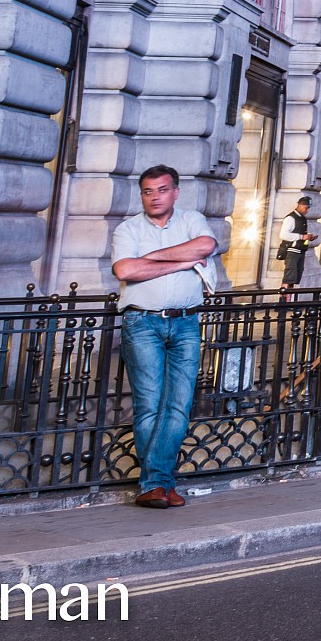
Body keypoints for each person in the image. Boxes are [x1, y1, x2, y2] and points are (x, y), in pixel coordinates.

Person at [110, 165, 216, 510]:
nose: (155, 197)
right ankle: (159, 484)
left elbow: (207, 244)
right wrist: (182, 261)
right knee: (150, 405)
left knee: (178, 406)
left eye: (162, 190)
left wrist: (151, 258)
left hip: (186, 323)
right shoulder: (128, 229)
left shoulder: (191, 220)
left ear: (175, 191)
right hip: (142, 321)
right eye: (148, 191)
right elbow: (125, 270)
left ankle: (155, 484)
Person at [276, 194, 314, 291]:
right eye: (306, 207)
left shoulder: (302, 218)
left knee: (294, 278)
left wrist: (308, 237)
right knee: (289, 278)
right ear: (300, 205)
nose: (308, 210)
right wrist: (302, 237)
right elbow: (283, 235)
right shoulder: (291, 218)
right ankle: (283, 301)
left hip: (300, 251)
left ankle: (289, 302)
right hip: (292, 251)